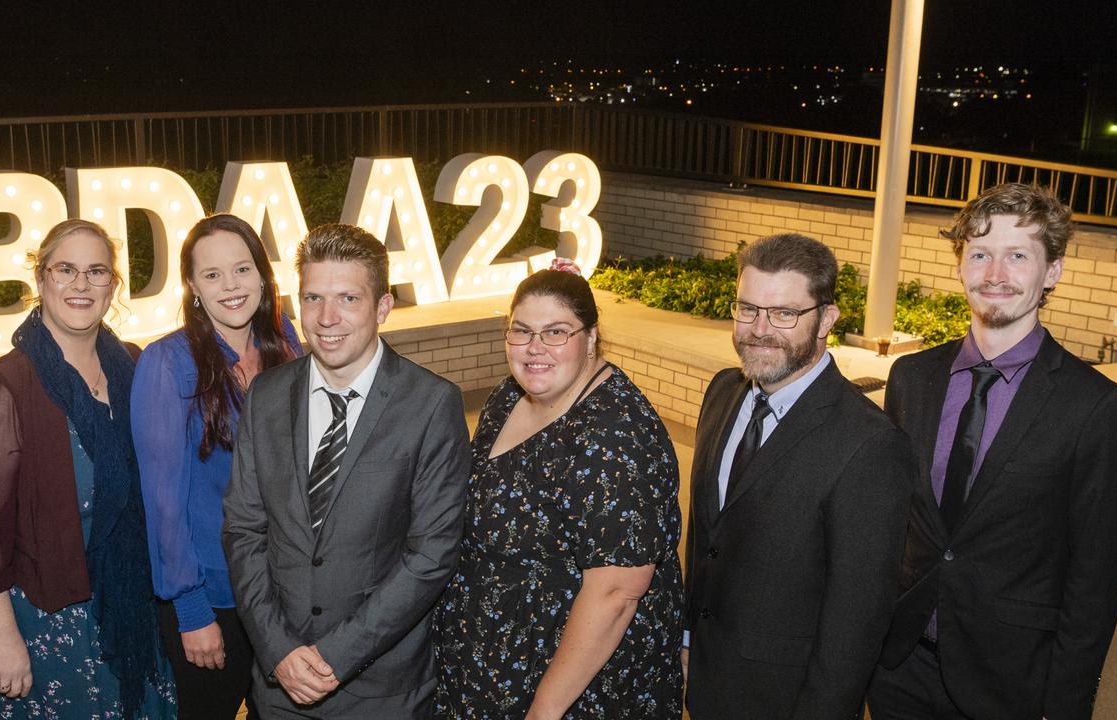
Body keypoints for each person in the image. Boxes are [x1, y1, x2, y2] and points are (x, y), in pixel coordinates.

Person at [867, 183, 1117, 720]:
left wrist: (1066, 703)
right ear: (960, 264)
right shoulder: (911, 378)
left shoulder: (1097, 407)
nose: (995, 275)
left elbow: (1096, 580)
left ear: (1051, 271)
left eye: (1018, 256)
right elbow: (891, 523)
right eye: (980, 254)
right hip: (898, 668)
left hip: (1010, 683)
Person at [221, 223, 471, 718]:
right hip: (279, 686)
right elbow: (244, 531)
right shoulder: (265, 396)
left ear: (382, 308)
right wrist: (279, 651)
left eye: (348, 299)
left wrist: (335, 655)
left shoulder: (430, 403)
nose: (327, 318)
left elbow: (432, 554)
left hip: (380, 690)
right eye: (313, 298)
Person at [0, 219, 176, 719]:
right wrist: (3, 638)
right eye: (65, 269)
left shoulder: (132, 367)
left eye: (96, 272)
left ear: (113, 285)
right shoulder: (2, 389)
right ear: (40, 278)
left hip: (132, 605)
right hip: (51, 621)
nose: (81, 284)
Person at [434, 258, 684, 719]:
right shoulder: (510, 395)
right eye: (521, 331)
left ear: (590, 338)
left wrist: (544, 710)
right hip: (488, 669)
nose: (534, 347)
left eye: (555, 332)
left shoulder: (616, 435)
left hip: (570, 690)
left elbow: (616, 592)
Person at [683, 232, 916, 719]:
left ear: (826, 319)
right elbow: (707, 537)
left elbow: (857, 616)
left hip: (787, 699)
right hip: (705, 678)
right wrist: (688, 639)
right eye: (747, 308)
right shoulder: (723, 391)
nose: (760, 329)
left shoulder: (870, 443)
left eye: (784, 314)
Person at [132, 214, 303, 719]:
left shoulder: (286, 343)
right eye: (212, 275)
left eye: (242, 269)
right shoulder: (168, 362)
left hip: (285, 593)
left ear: (262, 276)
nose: (230, 286)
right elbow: (163, 504)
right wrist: (191, 610)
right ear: (192, 286)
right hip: (215, 598)